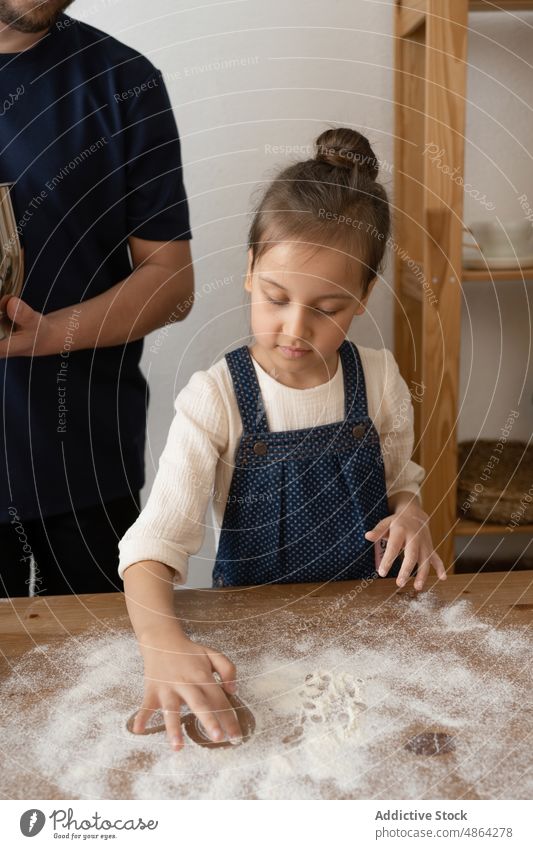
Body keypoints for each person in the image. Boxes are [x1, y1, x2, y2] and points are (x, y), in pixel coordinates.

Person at [118, 127, 446, 751]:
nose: (295, 328)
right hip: (253, 641)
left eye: (328, 307)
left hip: (367, 631)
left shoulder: (378, 380)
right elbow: (152, 546)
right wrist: (162, 643)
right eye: (276, 297)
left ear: (364, 297)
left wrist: (412, 516)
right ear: (249, 273)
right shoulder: (215, 398)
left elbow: (398, 484)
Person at [0, 1, 193, 597]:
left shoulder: (123, 81)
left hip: (82, 463)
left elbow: (172, 280)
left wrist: (47, 334)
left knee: (100, 676)